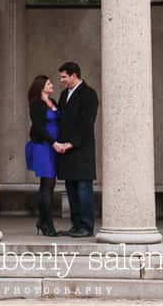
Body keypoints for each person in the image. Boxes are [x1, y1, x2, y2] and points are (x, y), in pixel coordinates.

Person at [55, 60, 100, 238]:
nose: (62, 80)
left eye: (64, 77)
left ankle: (87, 226)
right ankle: (76, 225)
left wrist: (71, 143)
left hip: (81, 150)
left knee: (83, 188)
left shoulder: (89, 94)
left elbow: (86, 123)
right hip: (67, 151)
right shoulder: (64, 94)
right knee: (71, 188)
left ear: (74, 75)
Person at [25, 75, 60, 237]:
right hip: (43, 146)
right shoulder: (36, 104)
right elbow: (38, 127)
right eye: (48, 83)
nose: (51, 85)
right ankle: (48, 224)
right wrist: (53, 142)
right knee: (47, 185)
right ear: (41, 87)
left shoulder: (53, 102)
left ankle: (41, 220)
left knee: (49, 186)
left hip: (55, 146)